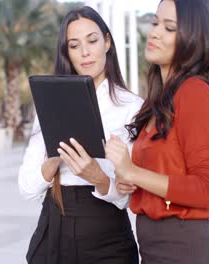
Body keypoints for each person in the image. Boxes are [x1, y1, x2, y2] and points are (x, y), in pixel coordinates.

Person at [18, 6, 142, 264]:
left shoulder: (133, 108)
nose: (85, 52)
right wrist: (55, 158)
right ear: (67, 53)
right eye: (74, 45)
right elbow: (27, 187)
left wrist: (98, 177)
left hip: (107, 237)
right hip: (54, 228)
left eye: (92, 41)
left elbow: (131, 195)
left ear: (107, 42)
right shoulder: (49, 104)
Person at [105, 0, 209, 263]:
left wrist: (133, 170)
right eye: (155, 22)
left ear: (194, 39)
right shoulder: (159, 99)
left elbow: (207, 189)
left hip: (182, 247)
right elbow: (164, 175)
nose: (155, 32)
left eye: (169, 28)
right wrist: (131, 182)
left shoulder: (194, 92)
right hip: (153, 245)